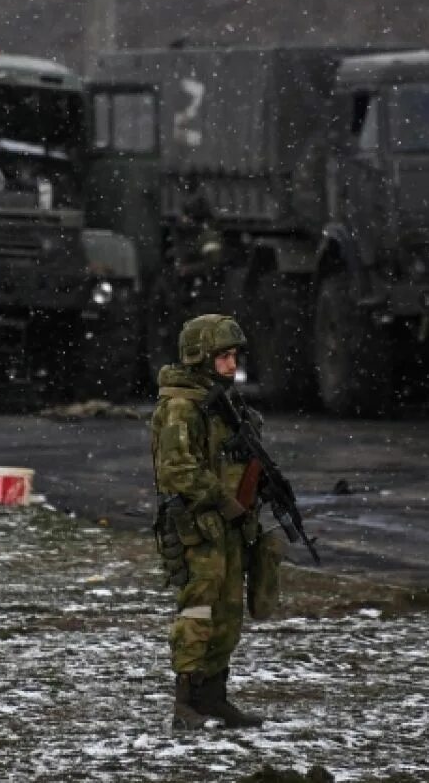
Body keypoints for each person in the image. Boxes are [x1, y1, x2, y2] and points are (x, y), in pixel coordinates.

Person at [150, 313, 282, 731]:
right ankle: (187, 698)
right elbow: (176, 470)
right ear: (199, 357)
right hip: (198, 525)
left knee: (228, 611)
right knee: (199, 608)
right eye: (223, 356)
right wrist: (222, 499)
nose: (231, 364)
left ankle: (214, 695)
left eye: (234, 355)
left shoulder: (224, 403)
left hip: (229, 526)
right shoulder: (180, 406)